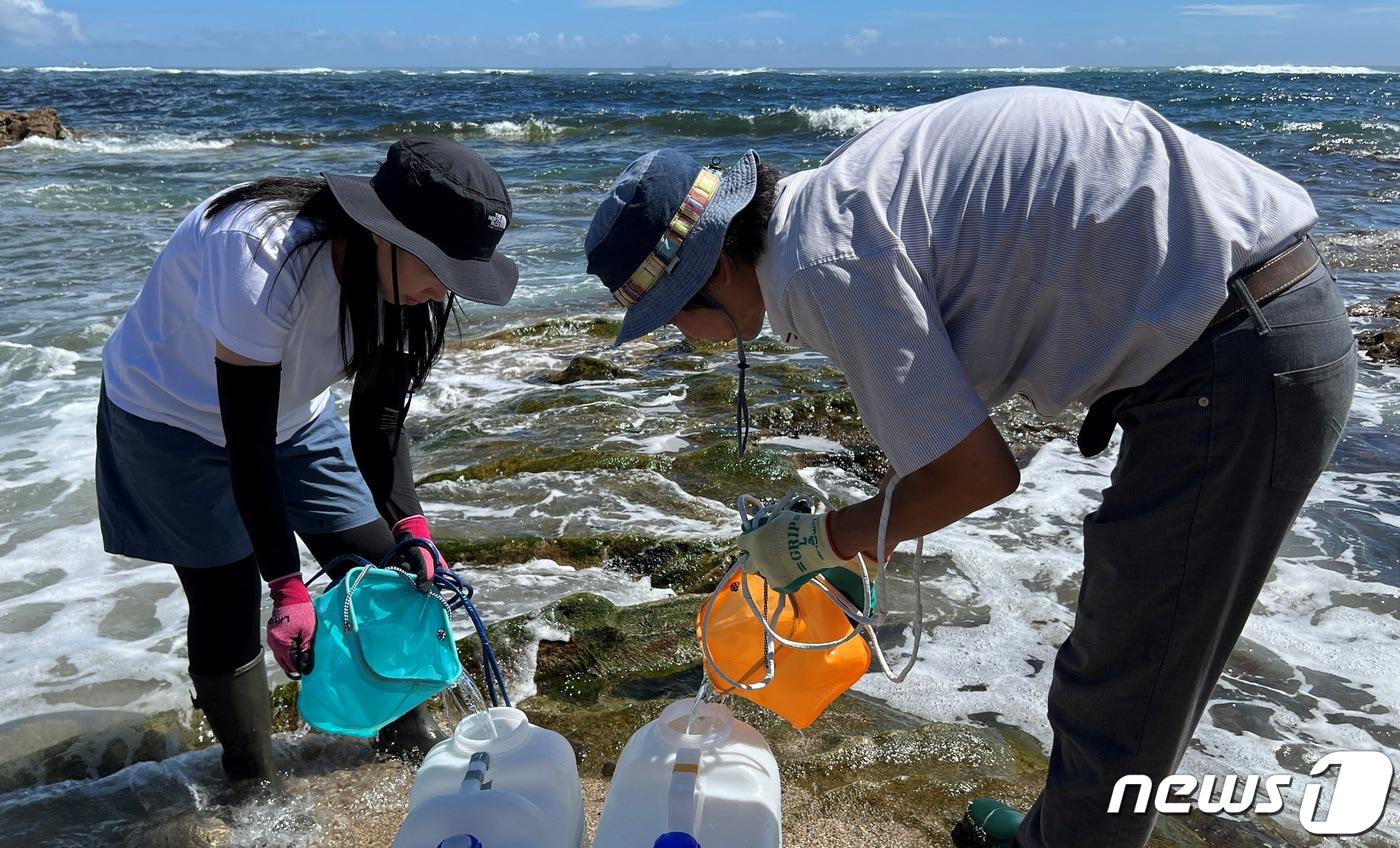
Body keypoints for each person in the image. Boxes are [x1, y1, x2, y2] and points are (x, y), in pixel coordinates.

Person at [583, 86, 1355, 848]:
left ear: (717, 270)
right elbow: (943, 432)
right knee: (1123, 657)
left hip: (1235, 355)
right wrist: (863, 539)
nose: (681, 337)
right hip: (1234, 314)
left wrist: (823, 539)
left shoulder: (825, 267)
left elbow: (978, 474)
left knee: (1127, 683)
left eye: (671, 316)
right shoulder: (829, 207)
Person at [97, 137, 517, 784]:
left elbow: (379, 419)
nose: (442, 291)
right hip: (170, 416)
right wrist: (287, 586)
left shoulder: (407, 287)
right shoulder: (262, 254)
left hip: (293, 415)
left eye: (459, 275)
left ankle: (406, 738)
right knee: (229, 599)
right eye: (439, 268)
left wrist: (412, 525)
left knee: (388, 567)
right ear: (383, 232)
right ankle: (252, 778)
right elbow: (246, 445)